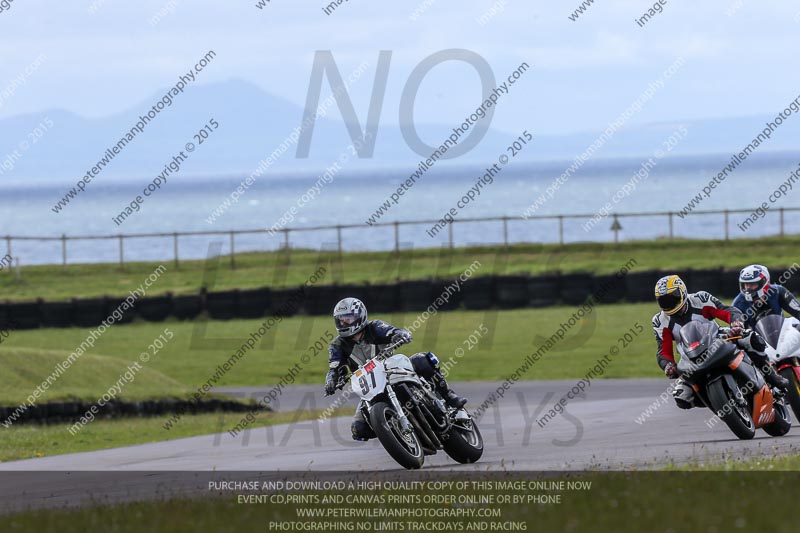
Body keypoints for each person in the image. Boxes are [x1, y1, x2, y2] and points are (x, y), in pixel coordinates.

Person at [323, 297, 467, 441]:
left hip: (391, 370)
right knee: (359, 429)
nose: (343, 323)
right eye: (340, 320)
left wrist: (399, 335)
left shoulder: (374, 327)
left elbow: (390, 331)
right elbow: (334, 366)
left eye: (347, 319)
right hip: (370, 386)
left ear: (360, 316)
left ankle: (449, 396)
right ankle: (396, 434)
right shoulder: (337, 345)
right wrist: (331, 380)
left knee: (423, 360)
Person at [651, 275, 787, 410]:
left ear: (682, 292)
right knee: (682, 397)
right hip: (690, 357)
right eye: (663, 301)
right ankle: (717, 401)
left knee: (750, 338)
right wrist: (668, 366)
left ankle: (772, 377)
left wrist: (736, 323)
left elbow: (727, 311)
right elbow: (664, 351)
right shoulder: (659, 321)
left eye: (672, 298)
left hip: (717, 338)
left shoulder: (700, 299)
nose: (669, 303)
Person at [733, 264, 800, 327]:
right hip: (756, 338)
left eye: (752, 284)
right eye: (746, 284)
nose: (748, 288)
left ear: (764, 282)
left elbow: (797, 310)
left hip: (782, 335)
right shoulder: (738, 303)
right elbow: (737, 328)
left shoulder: (778, 291)